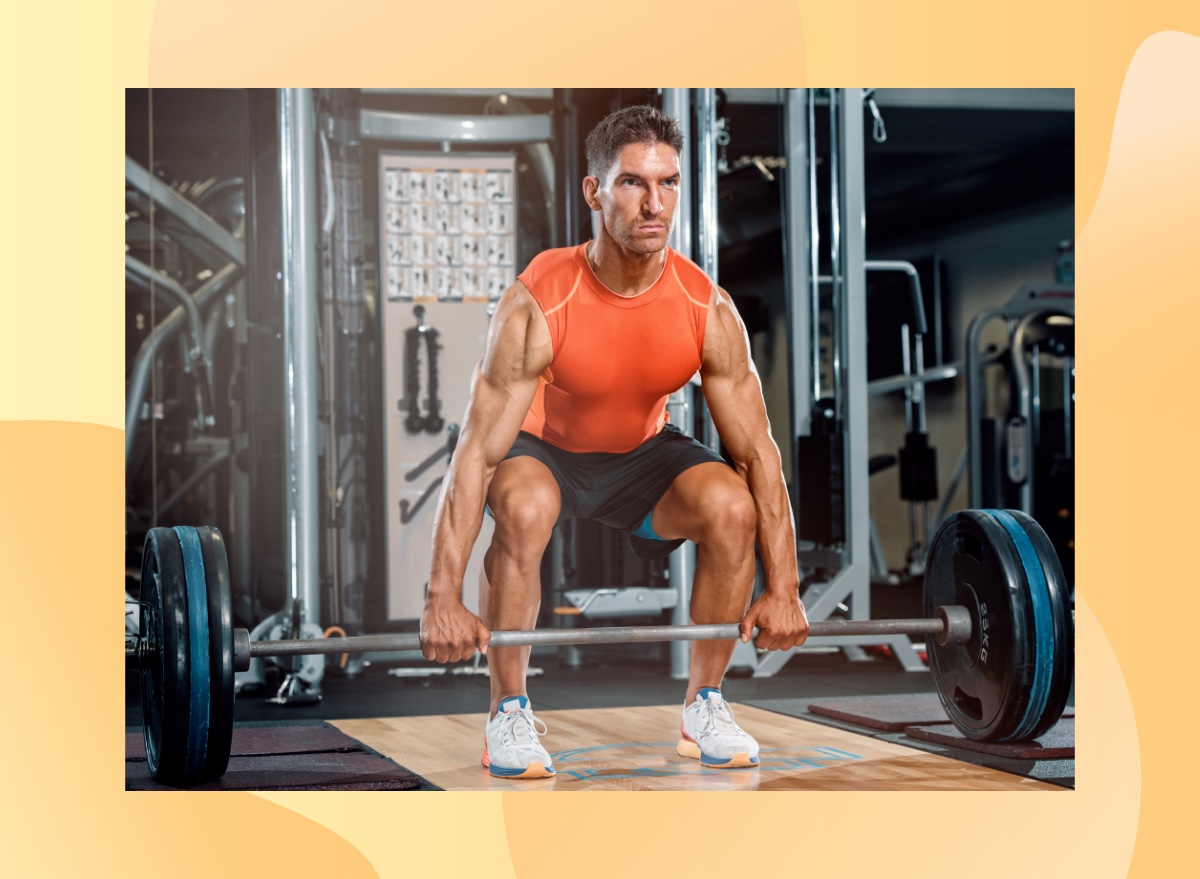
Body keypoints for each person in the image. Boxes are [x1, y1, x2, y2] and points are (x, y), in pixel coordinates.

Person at [419, 105, 809, 779]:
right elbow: (477, 452)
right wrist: (441, 597)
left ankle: (705, 704)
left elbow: (758, 453)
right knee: (525, 506)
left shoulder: (705, 307)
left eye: (668, 183)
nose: (654, 203)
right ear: (594, 192)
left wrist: (787, 586)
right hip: (543, 451)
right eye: (632, 183)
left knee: (731, 506)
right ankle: (507, 711)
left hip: (642, 457)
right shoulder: (541, 300)